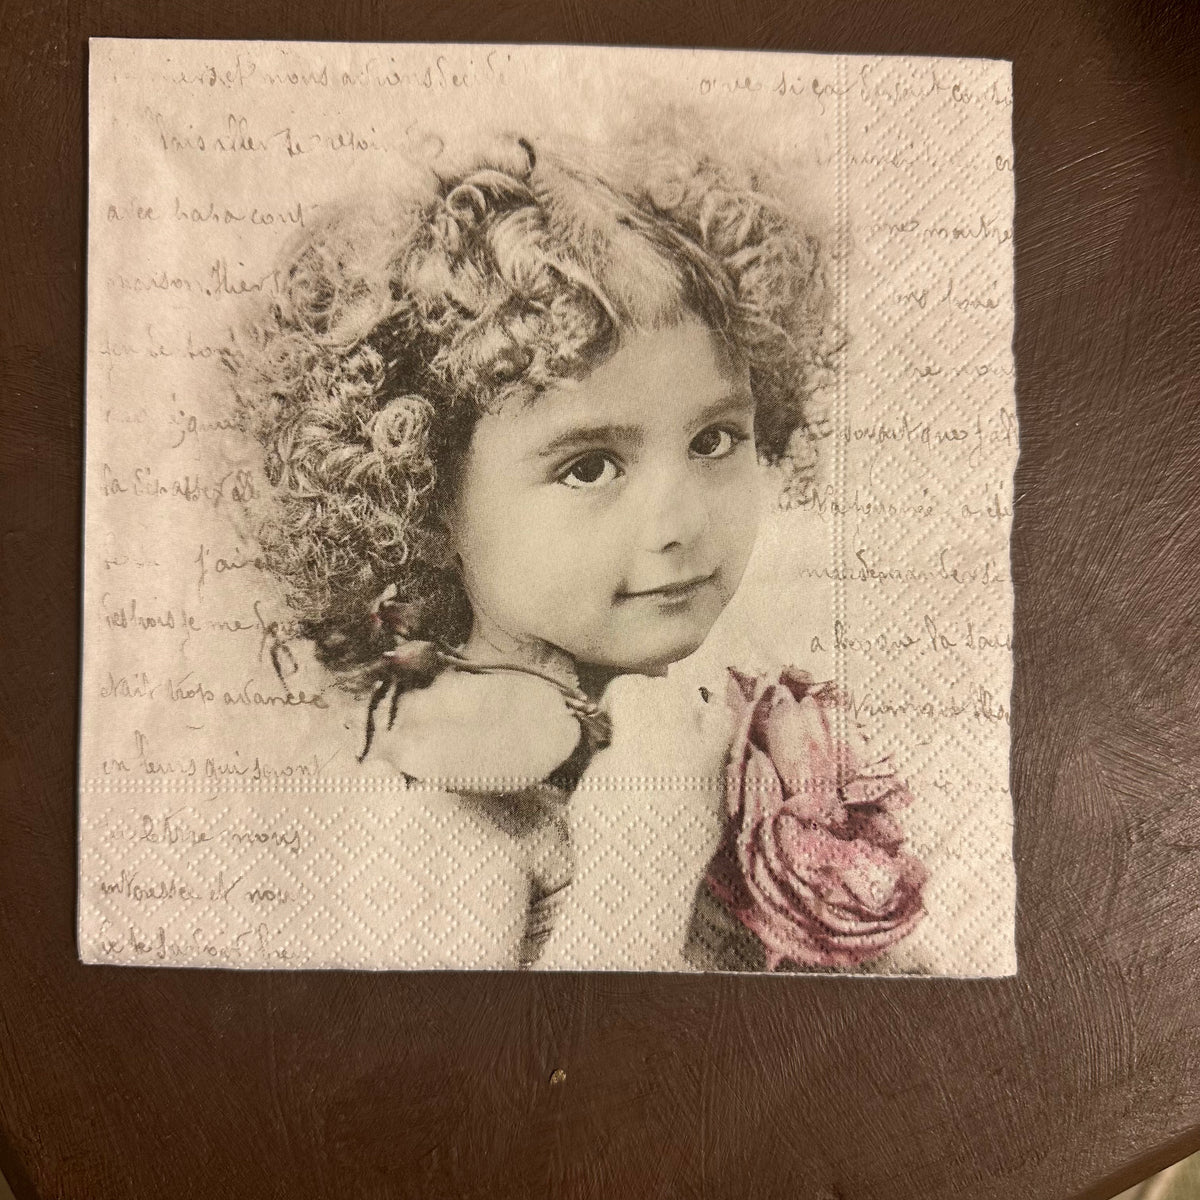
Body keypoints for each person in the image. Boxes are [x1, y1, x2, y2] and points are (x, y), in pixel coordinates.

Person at [224, 130, 923, 970]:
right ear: (424, 501)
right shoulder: (453, 805)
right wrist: (650, 844)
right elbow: (492, 1082)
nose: (680, 523)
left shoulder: (725, 721)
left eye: (713, 440)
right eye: (590, 467)